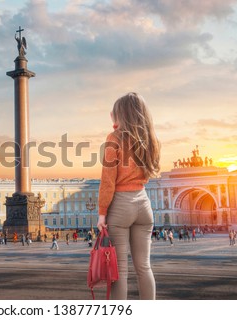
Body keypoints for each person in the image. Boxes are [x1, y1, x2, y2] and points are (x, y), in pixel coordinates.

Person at [97, 92, 160, 300]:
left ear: (120, 115)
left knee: (120, 271)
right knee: (144, 267)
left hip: (121, 206)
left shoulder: (114, 139)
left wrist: (101, 214)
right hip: (143, 204)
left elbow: (108, 180)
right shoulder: (151, 139)